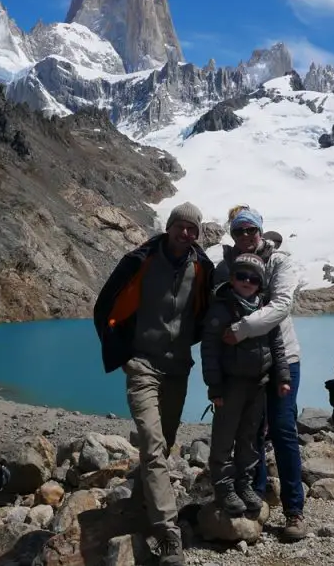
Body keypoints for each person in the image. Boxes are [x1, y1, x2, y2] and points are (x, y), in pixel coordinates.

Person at [92, 202, 214, 566]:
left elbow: (205, 313)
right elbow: (106, 304)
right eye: (181, 226)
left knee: (166, 443)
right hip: (143, 365)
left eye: (193, 229)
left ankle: (139, 506)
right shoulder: (141, 259)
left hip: (178, 368)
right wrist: (122, 351)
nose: (186, 234)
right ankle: (167, 532)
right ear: (170, 226)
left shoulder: (201, 267)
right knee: (152, 441)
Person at [215, 205, 306, 542]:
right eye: (238, 231)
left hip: (284, 359)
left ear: (260, 231)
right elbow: (214, 310)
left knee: (282, 429)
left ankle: (294, 510)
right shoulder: (224, 268)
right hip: (244, 366)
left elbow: (282, 305)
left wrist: (240, 330)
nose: (244, 237)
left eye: (250, 230)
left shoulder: (280, 262)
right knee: (249, 432)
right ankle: (255, 495)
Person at [202, 253, 291, 516]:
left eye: (253, 278)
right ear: (232, 278)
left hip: (259, 384)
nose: (247, 281)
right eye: (241, 276)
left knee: (250, 438)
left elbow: (277, 345)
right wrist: (214, 387)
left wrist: (282, 377)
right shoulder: (221, 308)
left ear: (260, 284)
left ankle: (244, 484)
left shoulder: (263, 311)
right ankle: (224, 487)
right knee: (223, 437)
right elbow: (210, 350)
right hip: (230, 386)